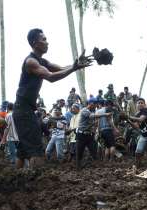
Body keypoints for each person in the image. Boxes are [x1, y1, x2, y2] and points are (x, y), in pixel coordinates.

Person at [13, 28, 92, 169]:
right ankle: (34, 185)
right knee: (36, 150)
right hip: (23, 111)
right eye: (44, 39)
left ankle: (16, 184)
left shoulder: (41, 61)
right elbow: (50, 77)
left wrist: (77, 64)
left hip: (25, 110)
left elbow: (61, 68)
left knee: (23, 151)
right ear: (34, 43)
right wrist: (74, 68)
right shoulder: (31, 62)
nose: (47, 42)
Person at [76, 97, 111, 168]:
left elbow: (90, 122)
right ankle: (78, 167)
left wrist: (94, 125)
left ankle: (97, 166)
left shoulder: (91, 111)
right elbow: (91, 116)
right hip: (81, 135)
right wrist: (105, 114)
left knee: (93, 150)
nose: (96, 106)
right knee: (80, 151)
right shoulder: (84, 110)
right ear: (91, 103)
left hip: (89, 135)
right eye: (95, 104)